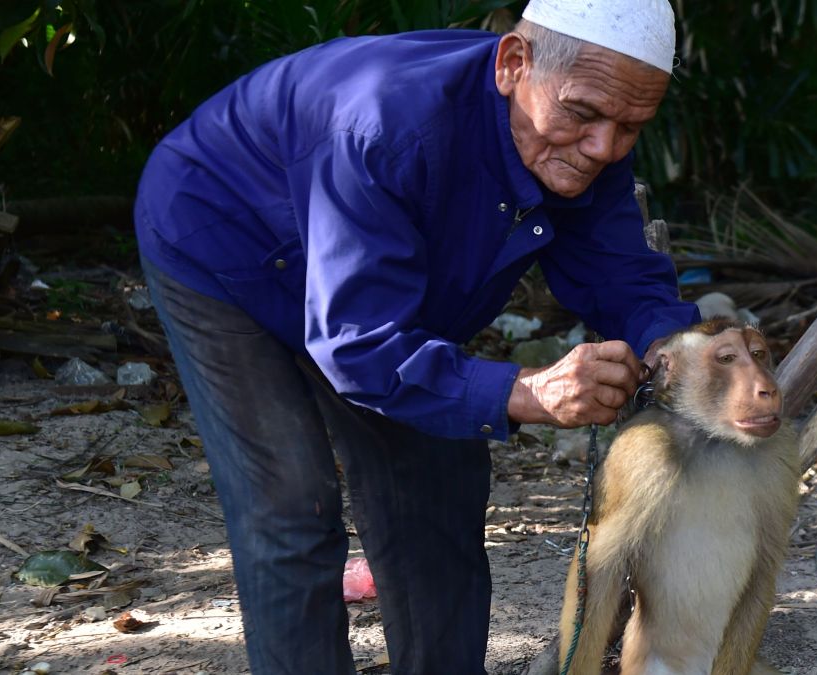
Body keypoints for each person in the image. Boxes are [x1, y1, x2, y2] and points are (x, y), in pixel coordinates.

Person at [133, 0, 700, 672]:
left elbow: (621, 275)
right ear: (514, 64)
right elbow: (358, 343)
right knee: (291, 505)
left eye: (630, 127)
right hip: (221, 244)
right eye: (583, 114)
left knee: (439, 481)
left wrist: (675, 347)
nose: (604, 147)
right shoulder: (387, 124)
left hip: (365, 288)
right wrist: (526, 391)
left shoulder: (581, 141)